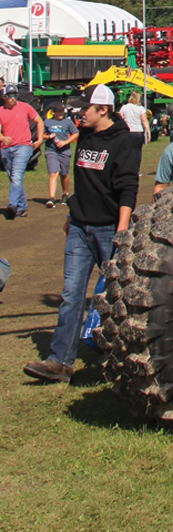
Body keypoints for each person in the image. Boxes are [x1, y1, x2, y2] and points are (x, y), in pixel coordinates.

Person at [23, 83, 141, 383]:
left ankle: (119, 357)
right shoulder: (86, 134)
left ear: (103, 110)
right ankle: (60, 361)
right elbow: (82, 179)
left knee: (116, 296)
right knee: (71, 293)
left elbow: (128, 187)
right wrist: (70, 213)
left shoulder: (125, 141)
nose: (79, 113)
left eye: (85, 108)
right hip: (79, 225)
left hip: (108, 228)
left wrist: (122, 229)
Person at [1, 81, 44, 219]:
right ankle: (22, 207)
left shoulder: (25, 107)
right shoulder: (1, 111)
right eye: (10, 95)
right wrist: (1, 138)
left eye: (15, 95)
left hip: (23, 147)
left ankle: (12, 205)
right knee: (14, 178)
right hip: (6, 149)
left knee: (16, 176)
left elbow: (39, 121)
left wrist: (40, 139)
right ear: (4, 97)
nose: (13, 98)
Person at [43, 98, 78, 207]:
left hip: (64, 151)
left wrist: (65, 142)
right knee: (53, 173)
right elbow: (42, 135)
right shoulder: (47, 122)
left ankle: (65, 194)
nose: (61, 114)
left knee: (64, 174)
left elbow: (76, 133)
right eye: (58, 112)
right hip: (51, 150)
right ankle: (52, 198)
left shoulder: (67, 122)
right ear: (53, 112)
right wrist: (48, 136)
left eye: (62, 111)